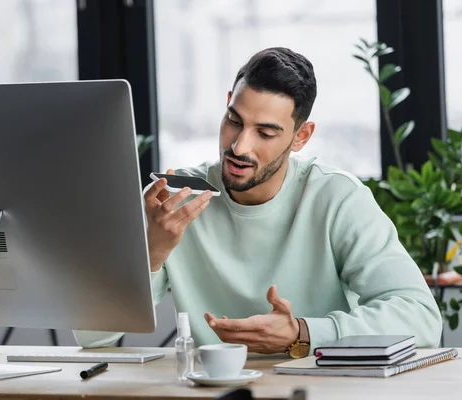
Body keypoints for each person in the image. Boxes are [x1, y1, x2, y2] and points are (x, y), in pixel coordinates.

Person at [73, 47, 442, 356]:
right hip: (205, 390)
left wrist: (302, 332)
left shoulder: (337, 198)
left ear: (301, 136)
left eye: (265, 132)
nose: (239, 146)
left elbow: (421, 317)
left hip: (316, 386)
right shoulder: (172, 201)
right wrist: (152, 252)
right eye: (234, 120)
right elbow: (89, 336)